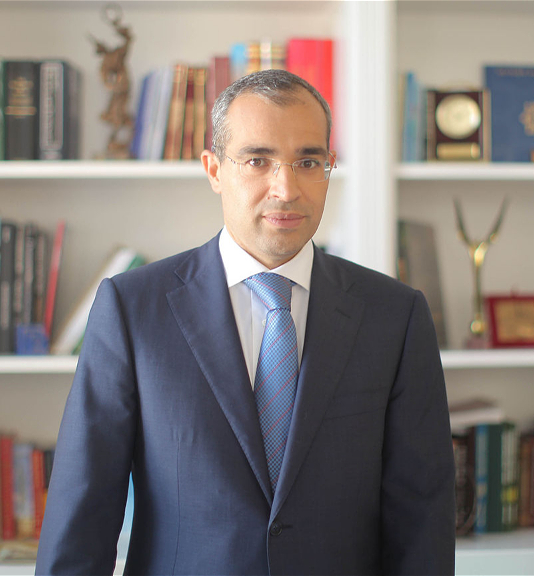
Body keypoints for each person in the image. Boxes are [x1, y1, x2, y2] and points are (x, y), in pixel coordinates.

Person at [36, 69, 455, 575]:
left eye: (308, 162)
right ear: (214, 169)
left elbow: (422, 517)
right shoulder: (132, 308)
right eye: (258, 160)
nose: (286, 188)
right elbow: (83, 513)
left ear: (329, 167)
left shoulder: (395, 315)